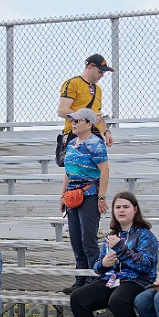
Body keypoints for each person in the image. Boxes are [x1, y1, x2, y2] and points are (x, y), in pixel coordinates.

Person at [70, 192, 158, 317]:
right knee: (78, 297)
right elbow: (97, 268)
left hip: (137, 281)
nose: (121, 210)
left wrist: (121, 250)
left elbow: (146, 265)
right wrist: (104, 263)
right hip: (112, 279)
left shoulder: (145, 235)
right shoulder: (112, 236)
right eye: (118, 207)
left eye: (126, 207)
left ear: (135, 210)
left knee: (117, 300)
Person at [60, 108, 110, 294]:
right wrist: (62, 195)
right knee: (75, 240)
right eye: (72, 121)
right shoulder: (72, 143)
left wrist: (101, 196)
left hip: (88, 194)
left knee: (88, 240)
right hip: (72, 195)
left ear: (89, 124)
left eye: (78, 121)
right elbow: (68, 171)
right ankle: (80, 279)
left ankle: (93, 279)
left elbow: (104, 170)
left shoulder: (95, 143)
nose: (73, 123)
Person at [57, 53, 114, 148]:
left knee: (101, 163)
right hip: (76, 137)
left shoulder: (98, 89)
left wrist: (106, 132)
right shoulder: (73, 83)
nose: (102, 75)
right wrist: (88, 117)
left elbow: (97, 115)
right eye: (100, 71)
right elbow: (62, 111)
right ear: (90, 67)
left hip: (94, 137)